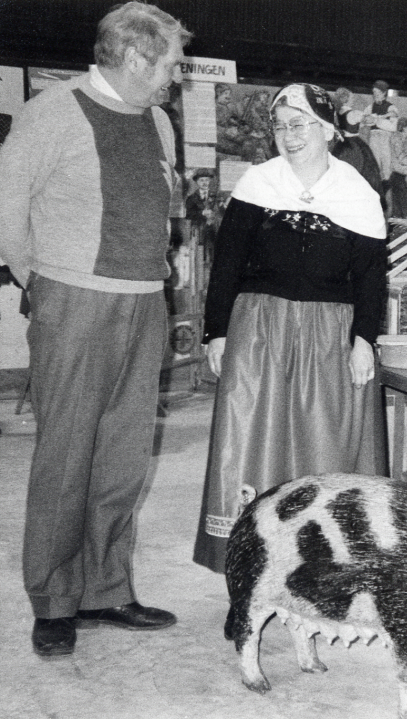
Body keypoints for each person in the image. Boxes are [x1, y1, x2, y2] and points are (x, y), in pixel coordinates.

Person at [0, 1, 191, 658]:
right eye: (170, 62)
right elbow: (5, 206)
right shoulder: (51, 112)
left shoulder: (160, 122)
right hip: (74, 301)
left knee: (123, 454)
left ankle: (107, 588)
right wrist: (40, 281)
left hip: (145, 300)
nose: (176, 75)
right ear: (135, 57)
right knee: (65, 455)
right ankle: (53, 600)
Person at [192, 83, 389, 573]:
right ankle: (250, 562)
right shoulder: (257, 184)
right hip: (260, 329)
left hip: (329, 333)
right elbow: (227, 265)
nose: (287, 135)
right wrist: (216, 332)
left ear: (326, 129)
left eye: (298, 124)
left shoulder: (357, 194)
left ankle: (321, 562)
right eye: (279, 126)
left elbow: (369, 278)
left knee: (325, 440)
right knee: (253, 438)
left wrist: (364, 340)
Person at [331, 87, 384, 207]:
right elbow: (370, 120)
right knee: (368, 171)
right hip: (354, 145)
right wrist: (379, 117)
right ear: (346, 99)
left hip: (341, 145)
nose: (353, 99)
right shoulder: (353, 113)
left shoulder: (338, 113)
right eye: (352, 97)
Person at [363, 80, 399, 187]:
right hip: (374, 138)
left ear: (384, 93)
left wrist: (377, 121)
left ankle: (386, 186)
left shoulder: (391, 107)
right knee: (374, 162)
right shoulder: (369, 108)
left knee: (386, 164)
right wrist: (369, 120)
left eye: (377, 93)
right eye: (374, 93)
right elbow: (364, 121)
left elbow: (393, 127)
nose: (375, 95)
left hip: (385, 138)